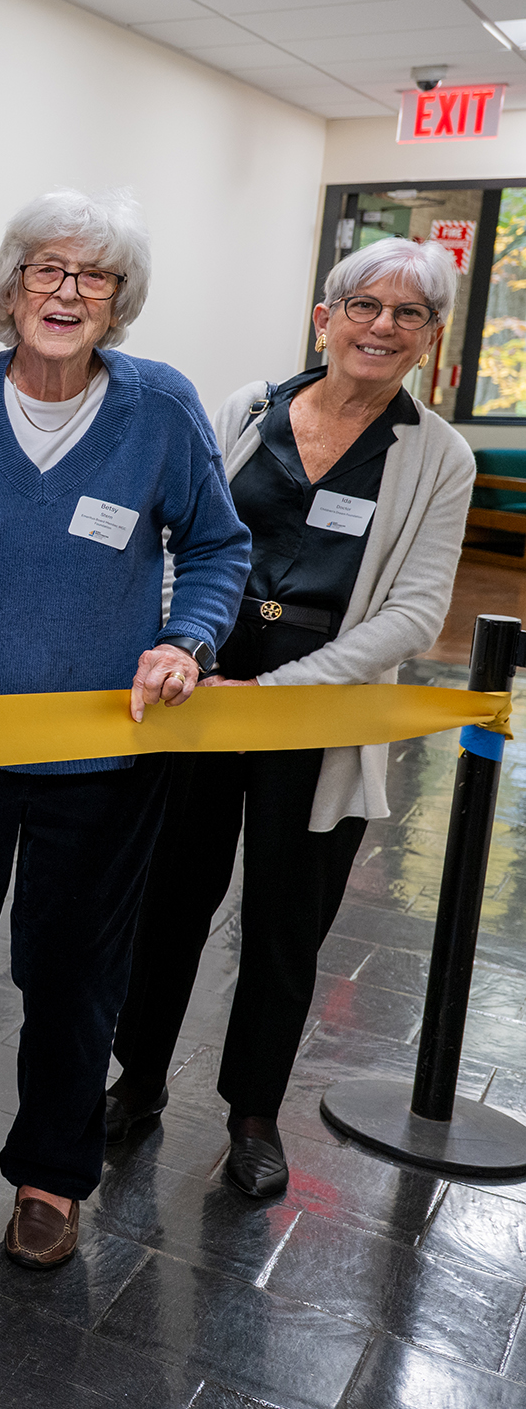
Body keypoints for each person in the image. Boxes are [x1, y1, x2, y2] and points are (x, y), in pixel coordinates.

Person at [0, 189, 250, 1270]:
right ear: (10, 284)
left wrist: (187, 639)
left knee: (72, 977)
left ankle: (50, 1174)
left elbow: (216, 546)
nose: (68, 293)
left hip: (100, 757)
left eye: (95, 276)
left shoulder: (158, 408)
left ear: (118, 300)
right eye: (47, 269)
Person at [110, 237, 472, 1198]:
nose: (381, 326)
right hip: (201, 689)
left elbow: (412, 615)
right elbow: (177, 537)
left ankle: (252, 1113)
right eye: (363, 305)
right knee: (168, 900)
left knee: (285, 921)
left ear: (429, 339)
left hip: (316, 709)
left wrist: (276, 696)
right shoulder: (246, 409)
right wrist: (183, 647)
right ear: (324, 318)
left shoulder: (437, 456)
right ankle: (136, 1080)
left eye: (407, 314)